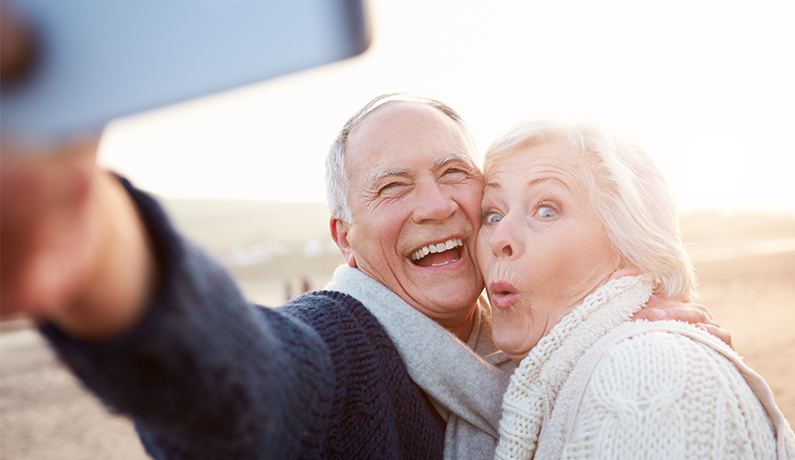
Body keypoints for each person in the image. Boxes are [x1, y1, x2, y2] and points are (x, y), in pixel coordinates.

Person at [0, 94, 730, 459]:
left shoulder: (533, 356)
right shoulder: (341, 347)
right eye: (392, 187)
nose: (436, 204)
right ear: (343, 240)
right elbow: (247, 381)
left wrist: (609, 321)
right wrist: (94, 247)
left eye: (454, 174)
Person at [474, 118, 795, 459]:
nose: (498, 238)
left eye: (546, 210)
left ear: (630, 246)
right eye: (492, 214)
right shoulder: (558, 380)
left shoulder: (642, 374)